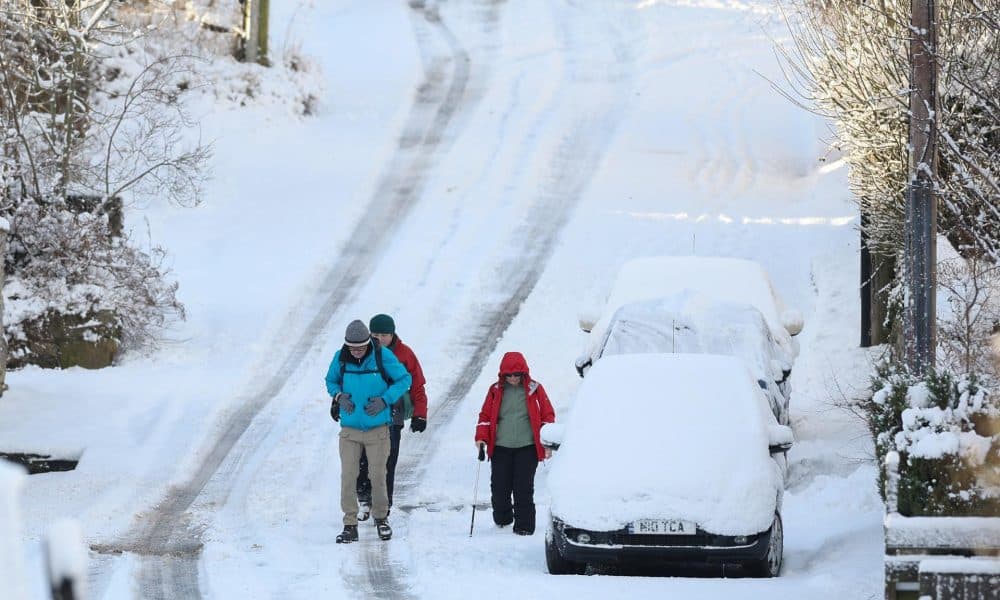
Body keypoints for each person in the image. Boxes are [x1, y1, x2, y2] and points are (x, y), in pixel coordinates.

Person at [326, 319, 411, 544]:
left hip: (378, 429)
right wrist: (338, 396)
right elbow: (330, 380)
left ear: (368, 343)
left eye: (360, 347)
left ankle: (381, 519)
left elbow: (404, 379)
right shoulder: (340, 358)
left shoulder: (382, 356)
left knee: (378, 475)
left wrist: (386, 400)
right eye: (352, 348)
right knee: (348, 477)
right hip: (350, 430)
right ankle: (349, 524)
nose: (356, 352)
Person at [474, 351, 555, 535]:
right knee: (499, 486)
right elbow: (485, 416)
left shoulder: (535, 389)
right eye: (508, 375)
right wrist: (481, 438)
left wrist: (547, 442)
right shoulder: (495, 390)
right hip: (501, 447)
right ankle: (503, 519)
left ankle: (524, 526)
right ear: (502, 375)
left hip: (527, 448)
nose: (512, 378)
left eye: (516, 375)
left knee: (523, 488)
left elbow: (547, 415)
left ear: (524, 373)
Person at [356, 313, 428, 520]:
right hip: (365, 414)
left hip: (392, 414)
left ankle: (383, 505)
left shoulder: (404, 354)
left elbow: (417, 385)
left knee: (387, 460)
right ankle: (364, 499)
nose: (380, 338)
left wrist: (420, 414)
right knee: (362, 458)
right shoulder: (361, 352)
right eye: (375, 334)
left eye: (384, 334)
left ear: (392, 334)